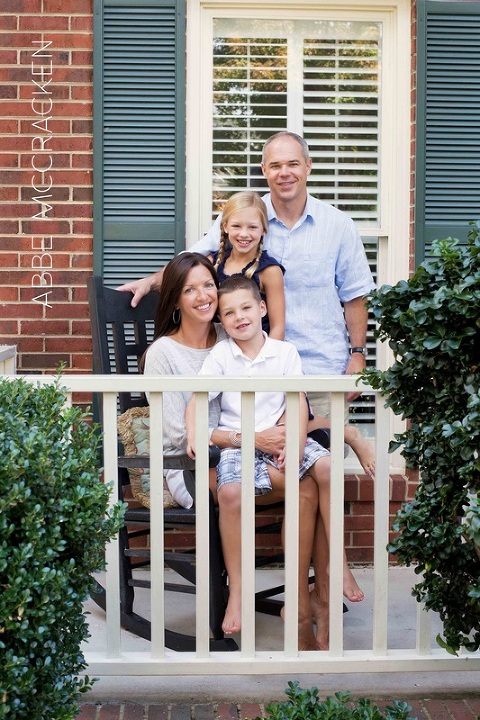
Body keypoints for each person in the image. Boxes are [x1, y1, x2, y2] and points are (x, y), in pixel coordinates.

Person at [120, 131, 376, 646]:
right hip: (250, 388)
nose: (285, 172)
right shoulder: (241, 227)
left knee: (320, 471)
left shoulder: (335, 227)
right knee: (306, 477)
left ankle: (322, 598)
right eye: (274, 165)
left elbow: (355, 296)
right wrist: (151, 284)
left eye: (293, 164)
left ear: (307, 167)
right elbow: (188, 267)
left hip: (315, 367)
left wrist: (356, 354)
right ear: (264, 170)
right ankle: (302, 601)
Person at [142, 253, 322, 650]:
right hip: (188, 462)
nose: (204, 295)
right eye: (189, 289)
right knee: (299, 488)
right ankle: (276, 598)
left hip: (238, 458)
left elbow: (286, 397)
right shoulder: (162, 355)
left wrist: (281, 434)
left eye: (208, 284)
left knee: (311, 484)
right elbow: (176, 434)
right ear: (175, 301)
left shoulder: (232, 338)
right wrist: (254, 438)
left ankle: (308, 600)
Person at [186, 277, 363, 644]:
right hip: (239, 446)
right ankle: (237, 593)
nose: (239, 318)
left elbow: (297, 401)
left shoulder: (284, 352)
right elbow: (196, 400)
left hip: (283, 440)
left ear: (262, 309)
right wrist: (193, 432)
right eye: (229, 313)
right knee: (231, 494)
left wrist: (297, 445)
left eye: (246, 308)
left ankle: (339, 565)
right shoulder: (221, 355)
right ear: (221, 320)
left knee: (328, 467)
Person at [209, 190, 285, 339]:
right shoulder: (212, 264)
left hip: (256, 355)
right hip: (216, 354)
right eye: (236, 226)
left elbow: (278, 328)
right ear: (225, 226)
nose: (244, 234)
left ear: (263, 229)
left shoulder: (269, 271)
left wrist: (264, 360)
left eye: (252, 227)